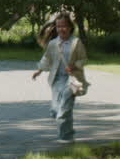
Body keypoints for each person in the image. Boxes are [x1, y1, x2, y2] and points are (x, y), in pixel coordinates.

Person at [31, 11, 87, 142]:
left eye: (64, 26)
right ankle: (68, 130)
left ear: (70, 27)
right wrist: (39, 71)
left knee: (65, 109)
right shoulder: (53, 44)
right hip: (57, 80)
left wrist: (74, 66)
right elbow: (47, 59)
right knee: (56, 110)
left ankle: (66, 137)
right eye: (58, 26)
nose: (61, 29)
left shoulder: (76, 42)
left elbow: (83, 59)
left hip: (72, 79)